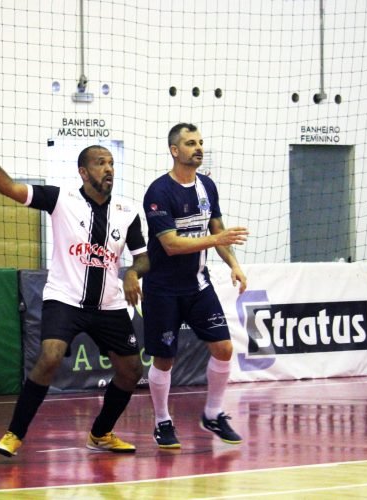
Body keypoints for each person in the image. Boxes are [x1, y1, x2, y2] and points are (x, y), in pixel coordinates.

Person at [0, 126, 150, 457]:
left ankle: (100, 434)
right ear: (83, 171)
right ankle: (14, 433)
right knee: (50, 356)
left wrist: (132, 275)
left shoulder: (128, 212)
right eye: (100, 162)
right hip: (65, 297)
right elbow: (10, 188)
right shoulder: (60, 199)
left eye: (111, 163)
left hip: (109, 304)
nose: (108, 168)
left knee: (132, 371)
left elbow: (143, 258)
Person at [142, 123, 249, 449]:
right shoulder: (159, 192)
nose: (198, 147)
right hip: (162, 289)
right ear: (175, 150)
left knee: (224, 348)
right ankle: (162, 420)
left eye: (200, 142)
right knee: (164, 359)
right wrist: (217, 237)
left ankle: (213, 413)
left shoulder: (207, 187)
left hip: (198, 285)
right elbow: (171, 245)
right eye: (190, 143)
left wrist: (234, 264)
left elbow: (217, 230)